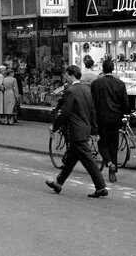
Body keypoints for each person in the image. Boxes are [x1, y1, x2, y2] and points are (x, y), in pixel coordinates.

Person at [45, 65, 108, 198]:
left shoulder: (71, 91)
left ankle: (101, 187)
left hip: (76, 131)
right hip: (84, 128)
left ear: (72, 75)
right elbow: (92, 112)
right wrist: (94, 131)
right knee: (70, 160)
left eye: (66, 75)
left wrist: (54, 127)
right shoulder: (86, 90)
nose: (65, 77)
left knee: (89, 161)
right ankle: (58, 183)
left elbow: (65, 112)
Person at [91, 59, 129, 184]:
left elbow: (93, 103)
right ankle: (113, 171)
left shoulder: (96, 84)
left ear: (103, 68)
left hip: (101, 118)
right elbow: (125, 103)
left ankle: (108, 162)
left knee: (102, 144)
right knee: (114, 144)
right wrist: (124, 115)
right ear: (112, 69)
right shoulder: (120, 84)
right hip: (115, 118)